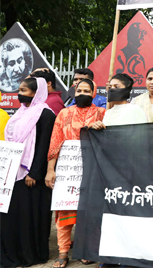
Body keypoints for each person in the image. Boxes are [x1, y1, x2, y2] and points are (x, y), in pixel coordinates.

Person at [45, 79, 104, 267]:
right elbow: (55, 142)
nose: (82, 94)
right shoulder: (64, 113)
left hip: (93, 169)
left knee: (90, 211)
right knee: (65, 209)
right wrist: (50, 170)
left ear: (94, 93)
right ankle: (63, 252)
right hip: (67, 169)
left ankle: (87, 250)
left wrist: (101, 128)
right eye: (79, 90)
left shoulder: (102, 112)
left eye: (87, 90)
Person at [0, 77, 55, 267]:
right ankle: (12, 252)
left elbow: (44, 146)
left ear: (35, 92)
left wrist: (34, 173)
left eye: (24, 90)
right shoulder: (19, 113)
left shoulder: (45, 114)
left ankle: (30, 255)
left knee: (29, 216)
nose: (19, 93)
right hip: (13, 174)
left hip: (32, 178)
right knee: (12, 215)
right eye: (19, 89)